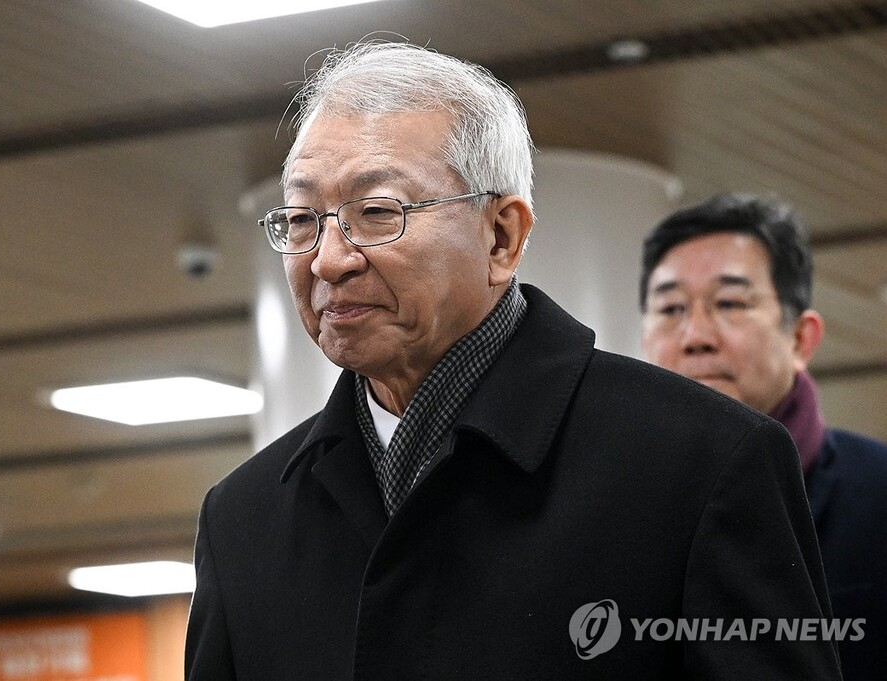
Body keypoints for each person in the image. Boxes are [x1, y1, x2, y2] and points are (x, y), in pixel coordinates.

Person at [185, 42, 842, 679]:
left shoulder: (703, 463)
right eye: (302, 219)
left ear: (502, 235)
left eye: (378, 212)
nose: (328, 259)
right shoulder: (243, 520)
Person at [639, 192, 887, 680]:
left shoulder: (878, 496)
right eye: (670, 308)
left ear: (800, 338)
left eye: (730, 303)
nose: (696, 336)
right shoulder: (605, 502)